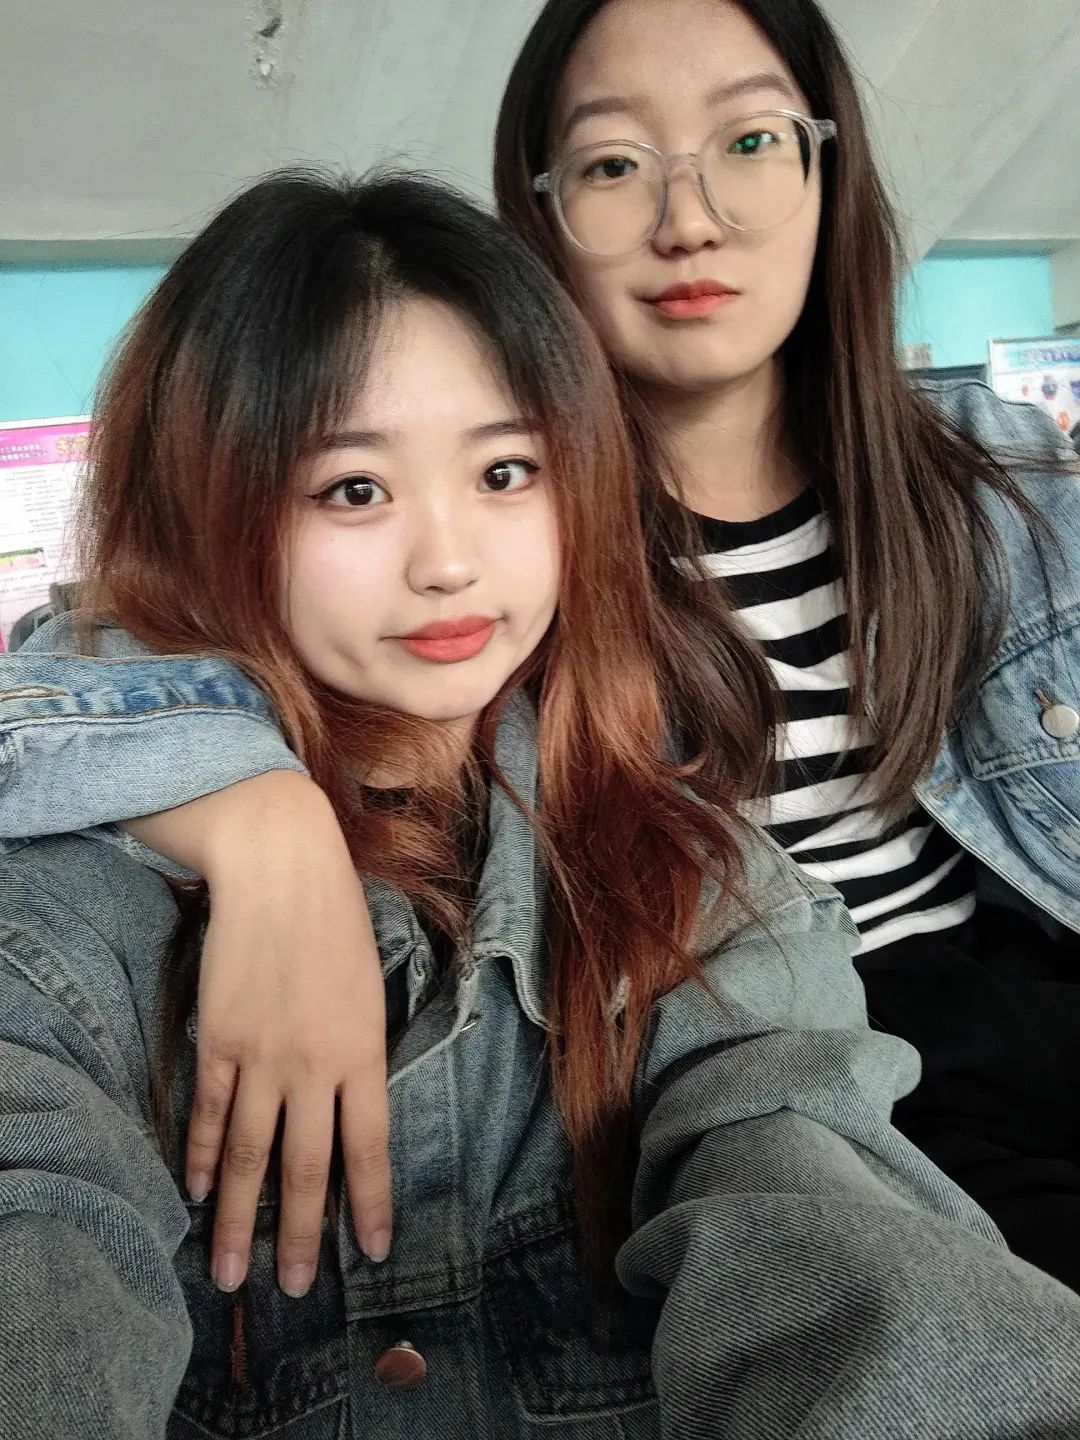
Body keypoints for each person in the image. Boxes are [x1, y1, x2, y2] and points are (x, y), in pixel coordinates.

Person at [2, 0, 1078, 1289]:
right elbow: (121, 636)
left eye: (749, 141)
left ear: (826, 167)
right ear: (541, 209)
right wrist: (260, 824)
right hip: (747, 1040)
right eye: (616, 164)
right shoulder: (508, 565)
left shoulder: (1000, 471)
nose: (691, 220)